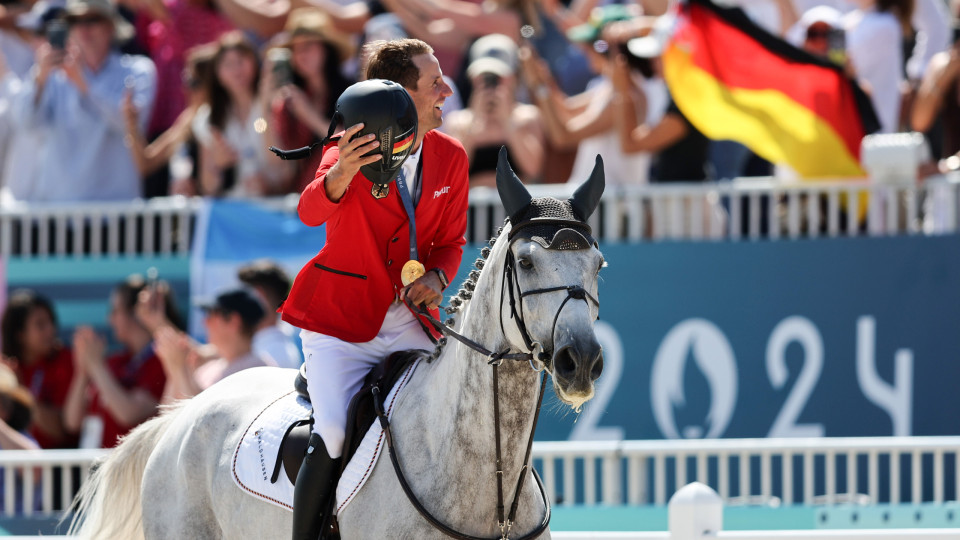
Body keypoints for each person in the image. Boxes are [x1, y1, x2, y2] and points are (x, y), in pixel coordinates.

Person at [279, 38, 469, 540]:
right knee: (336, 432)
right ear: (401, 97)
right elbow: (309, 211)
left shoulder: (452, 158)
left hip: (411, 319)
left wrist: (439, 277)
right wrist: (342, 170)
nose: (447, 90)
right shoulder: (354, 147)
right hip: (342, 325)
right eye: (434, 84)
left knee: (455, 414)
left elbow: (451, 243)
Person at [11, 0, 157, 202]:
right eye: (75, 21)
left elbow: (132, 127)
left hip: (118, 213)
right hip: (62, 214)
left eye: (92, 19)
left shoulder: (138, 70)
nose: (83, 29)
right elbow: (27, 123)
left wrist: (84, 84)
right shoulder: (51, 75)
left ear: (111, 26)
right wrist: (40, 77)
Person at [63, 275, 183, 448]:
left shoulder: (163, 360)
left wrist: (96, 365)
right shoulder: (114, 361)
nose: (109, 319)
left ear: (137, 313)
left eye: (115, 311)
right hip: (96, 468)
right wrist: (83, 371)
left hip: (131, 470)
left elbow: (129, 414)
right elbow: (72, 422)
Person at [191, 31, 290, 197]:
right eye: (228, 64)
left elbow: (284, 171)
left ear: (254, 62)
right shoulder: (207, 118)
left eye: (241, 60)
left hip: (275, 207)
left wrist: (265, 108)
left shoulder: (276, 103)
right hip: (232, 213)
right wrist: (217, 164)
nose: (236, 69)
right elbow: (208, 187)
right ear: (217, 74)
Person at [267, 7, 354, 194]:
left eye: (308, 46)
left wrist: (308, 114)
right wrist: (264, 98)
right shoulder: (287, 101)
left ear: (326, 50)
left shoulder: (352, 93)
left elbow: (351, 145)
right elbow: (280, 161)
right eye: (295, 50)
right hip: (303, 198)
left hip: (343, 193)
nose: (300, 55)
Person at [443, 34, 545, 187]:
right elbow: (451, 173)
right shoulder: (457, 121)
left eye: (498, 77)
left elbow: (533, 169)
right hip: (471, 211)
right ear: (472, 78)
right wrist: (474, 121)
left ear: (514, 77)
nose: (490, 85)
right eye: (484, 77)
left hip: (517, 210)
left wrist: (507, 121)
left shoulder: (528, 117)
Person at [155, 287, 275, 401]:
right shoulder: (209, 368)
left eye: (211, 314)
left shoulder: (258, 372)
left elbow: (203, 417)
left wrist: (179, 368)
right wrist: (174, 366)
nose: (205, 321)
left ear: (234, 321)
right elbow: (168, 412)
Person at [0, 290, 76, 449]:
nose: (50, 330)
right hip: (15, 467)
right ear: (19, 334)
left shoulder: (66, 360)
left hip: (58, 465)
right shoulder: (5, 369)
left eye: (51, 322)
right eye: (40, 325)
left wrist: (20, 390)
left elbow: (61, 431)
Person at [237, 259, 302, 369]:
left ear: (259, 295)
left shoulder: (270, 356)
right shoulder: (274, 345)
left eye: (242, 296)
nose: (237, 304)